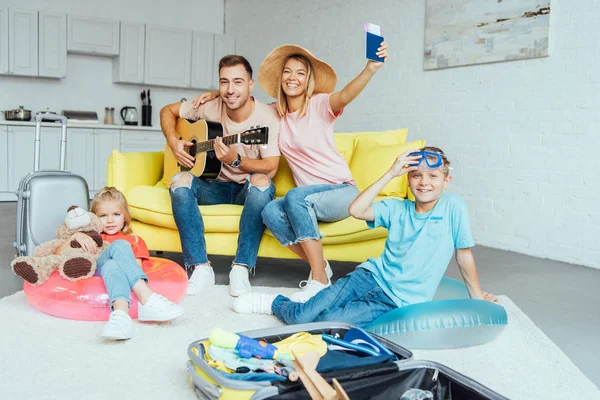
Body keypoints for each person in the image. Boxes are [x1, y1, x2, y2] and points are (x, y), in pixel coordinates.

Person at [192, 42, 389, 303]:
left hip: (340, 192)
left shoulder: (320, 105)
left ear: (308, 81)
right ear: (280, 79)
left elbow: (345, 95)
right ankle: (321, 265)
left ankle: (319, 278)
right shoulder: (275, 112)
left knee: (296, 197)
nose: (292, 78)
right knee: (270, 211)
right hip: (308, 200)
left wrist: (371, 68)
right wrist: (214, 92)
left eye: (300, 73)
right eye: (287, 71)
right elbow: (242, 100)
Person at [232, 147, 498, 327]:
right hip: (366, 277)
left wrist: (476, 296)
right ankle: (274, 303)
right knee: (306, 314)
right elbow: (355, 209)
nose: (424, 182)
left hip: (392, 301)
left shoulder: (454, 207)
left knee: (319, 323)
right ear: (408, 180)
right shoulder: (396, 208)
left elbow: (463, 254)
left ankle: (284, 305)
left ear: (446, 181)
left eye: (433, 176)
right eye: (416, 175)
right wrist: (391, 173)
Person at [160, 55, 281, 298]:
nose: (230, 90)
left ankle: (241, 268)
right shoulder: (210, 106)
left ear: (250, 84)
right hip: (212, 186)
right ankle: (200, 267)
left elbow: (271, 167)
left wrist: (236, 160)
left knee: (262, 183)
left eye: (237, 82)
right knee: (179, 182)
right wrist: (174, 143)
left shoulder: (266, 118)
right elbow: (167, 111)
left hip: (245, 190)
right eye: (224, 82)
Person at [55, 187, 184, 340]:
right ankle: (148, 299)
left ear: (125, 217)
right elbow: (57, 256)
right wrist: (76, 236)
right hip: (94, 274)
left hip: (115, 275)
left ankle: (120, 318)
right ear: (94, 218)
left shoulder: (135, 240)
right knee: (119, 246)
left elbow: (134, 269)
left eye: (116, 214)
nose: (110, 220)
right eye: (103, 216)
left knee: (113, 263)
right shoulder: (90, 237)